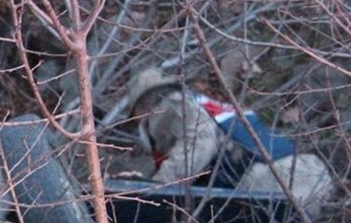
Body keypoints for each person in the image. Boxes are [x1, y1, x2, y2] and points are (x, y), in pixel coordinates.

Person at [126, 68, 333, 211]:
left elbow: (200, 140)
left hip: (269, 179)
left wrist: (155, 191)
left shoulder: (167, 105)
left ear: (143, 105)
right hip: (305, 171)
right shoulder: (205, 106)